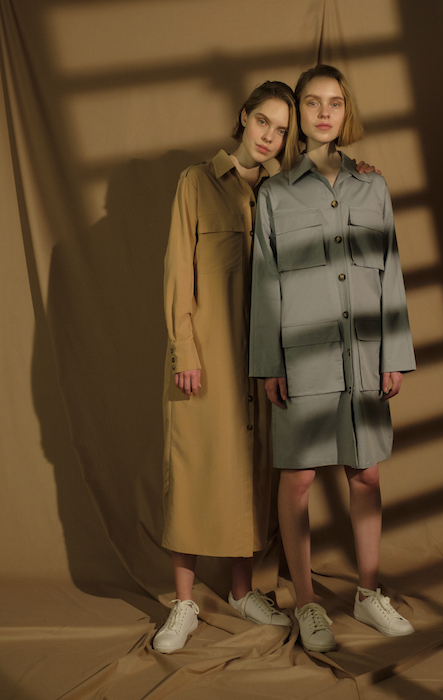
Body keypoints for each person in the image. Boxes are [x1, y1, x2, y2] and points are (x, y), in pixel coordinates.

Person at [249, 65, 416, 653]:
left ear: (347, 113)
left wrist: (393, 353)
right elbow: (265, 282)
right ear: (298, 112)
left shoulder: (373, 187)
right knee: (296, 479)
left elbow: (390, 273)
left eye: (335, 103)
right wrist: (270, 363)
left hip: (365, 354)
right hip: (303, 358)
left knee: (366, 473)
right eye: (313, 103)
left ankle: (369, 594)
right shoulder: (274, 194)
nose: (324, 113)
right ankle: (307, 603)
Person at [153, 81, 300, 654]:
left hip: (260, 362)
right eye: (263, 122)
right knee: (192, 469)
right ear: (243, 117)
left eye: (281, 130)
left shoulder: (282, 192)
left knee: (250, 471)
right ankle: (183, 602)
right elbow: (177, 271)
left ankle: (242, 591)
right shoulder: (195, 182)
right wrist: (184, 350)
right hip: (205, 357)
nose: (270, 136)